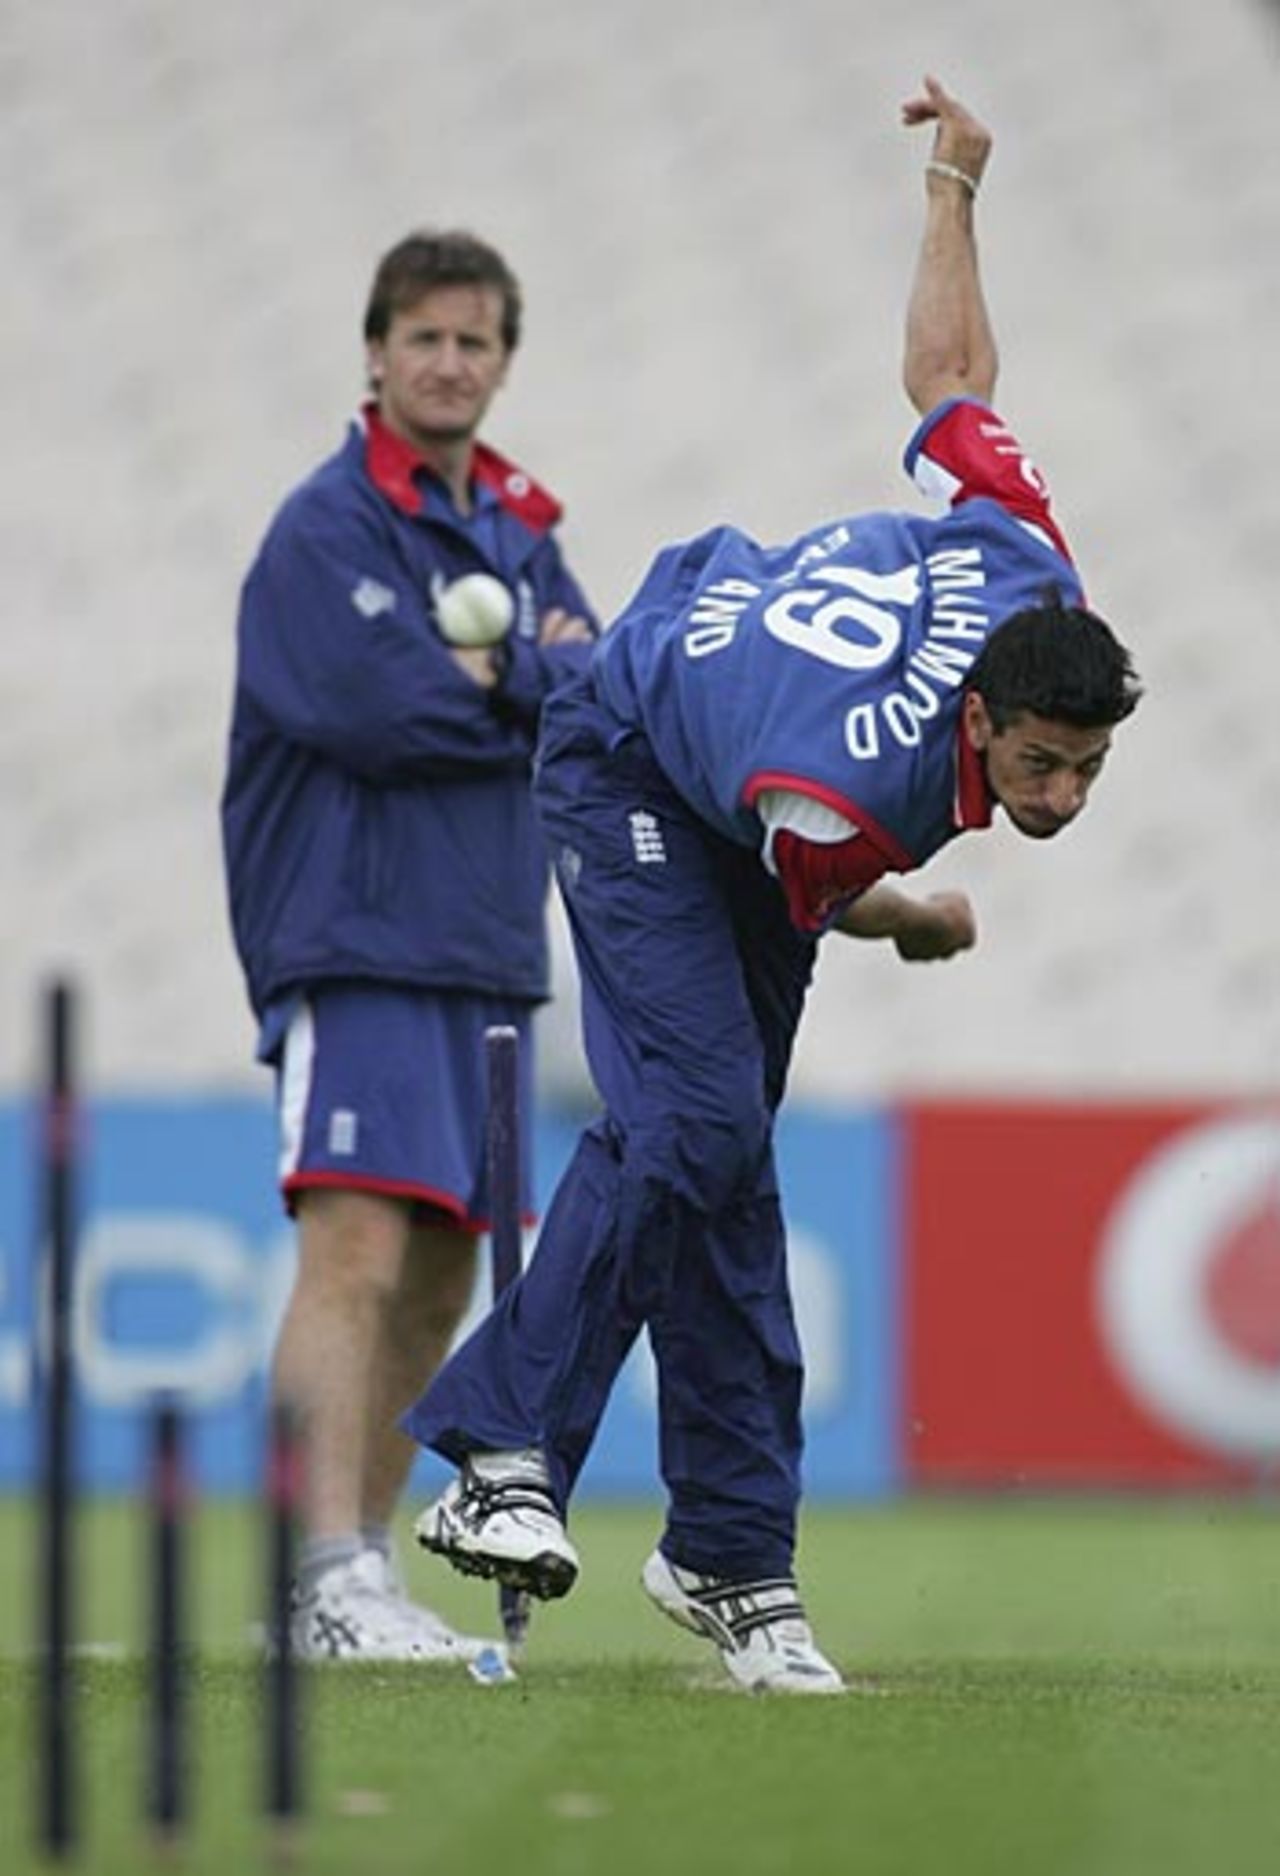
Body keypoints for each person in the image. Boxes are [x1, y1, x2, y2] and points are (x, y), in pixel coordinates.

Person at [405, 78, 1142, 1693]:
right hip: (639, 764)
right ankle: (503, 1446)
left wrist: (951, 186)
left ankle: (732, 1555)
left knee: (723, 1167)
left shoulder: (1027, 550)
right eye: (1036, 769)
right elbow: (829, 875)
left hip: (739, 767)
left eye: (1087, 769)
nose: (1062, 799)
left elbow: (949, 377)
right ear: (974, 720)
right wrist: (919, 913)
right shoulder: (853, 794)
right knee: (700, 1130)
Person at [220, 229, 597, 1661]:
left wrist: (502, 672)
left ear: (503, 363)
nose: (449, 362)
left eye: (475, 341)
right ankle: (314, 1574)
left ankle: (354, 1578)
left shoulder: (517, 525)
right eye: (424, 337)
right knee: (357, 1251)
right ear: (376, 352)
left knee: (444, 1275)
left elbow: (591, 683)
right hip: (360, 935)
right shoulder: (326, 526)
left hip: (491, 949)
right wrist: (523, 678)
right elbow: (377, 711)